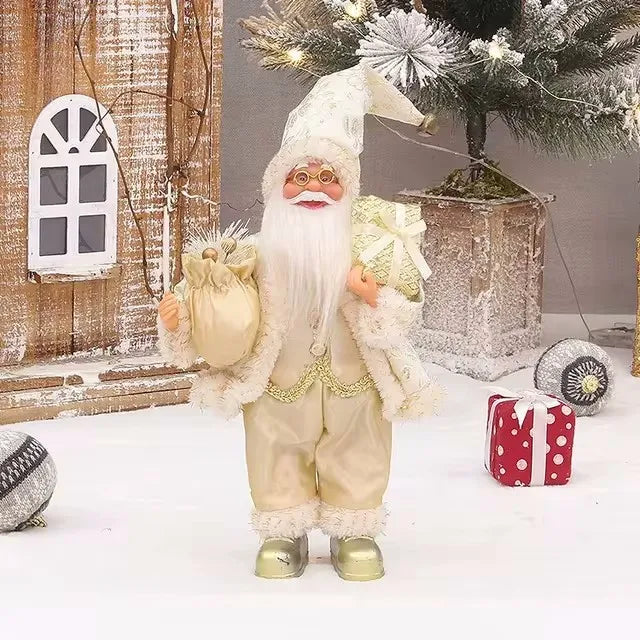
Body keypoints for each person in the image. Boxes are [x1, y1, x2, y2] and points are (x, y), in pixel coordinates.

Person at [157, 63, 440, 581]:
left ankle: (353, 530)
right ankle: (283, 530)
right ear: (278, 187)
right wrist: (180, 318)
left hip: (355, 379)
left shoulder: (367, 249)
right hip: (278, 381)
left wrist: (370, 294)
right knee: (275, 446)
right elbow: (215, 295)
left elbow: (405, 305)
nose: (314, 188)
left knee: (359, 445)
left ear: (347, 189)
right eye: (300, 178)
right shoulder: (254, 253)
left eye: (328, 179)